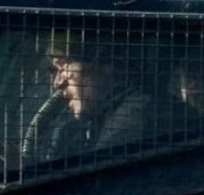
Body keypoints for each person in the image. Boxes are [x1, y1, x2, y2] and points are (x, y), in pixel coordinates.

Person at [21, 43, 155, 164]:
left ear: (108, 65)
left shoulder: (134, 114)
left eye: (63, 66)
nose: (58, 83)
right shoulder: (84, 124)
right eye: (55, 71)